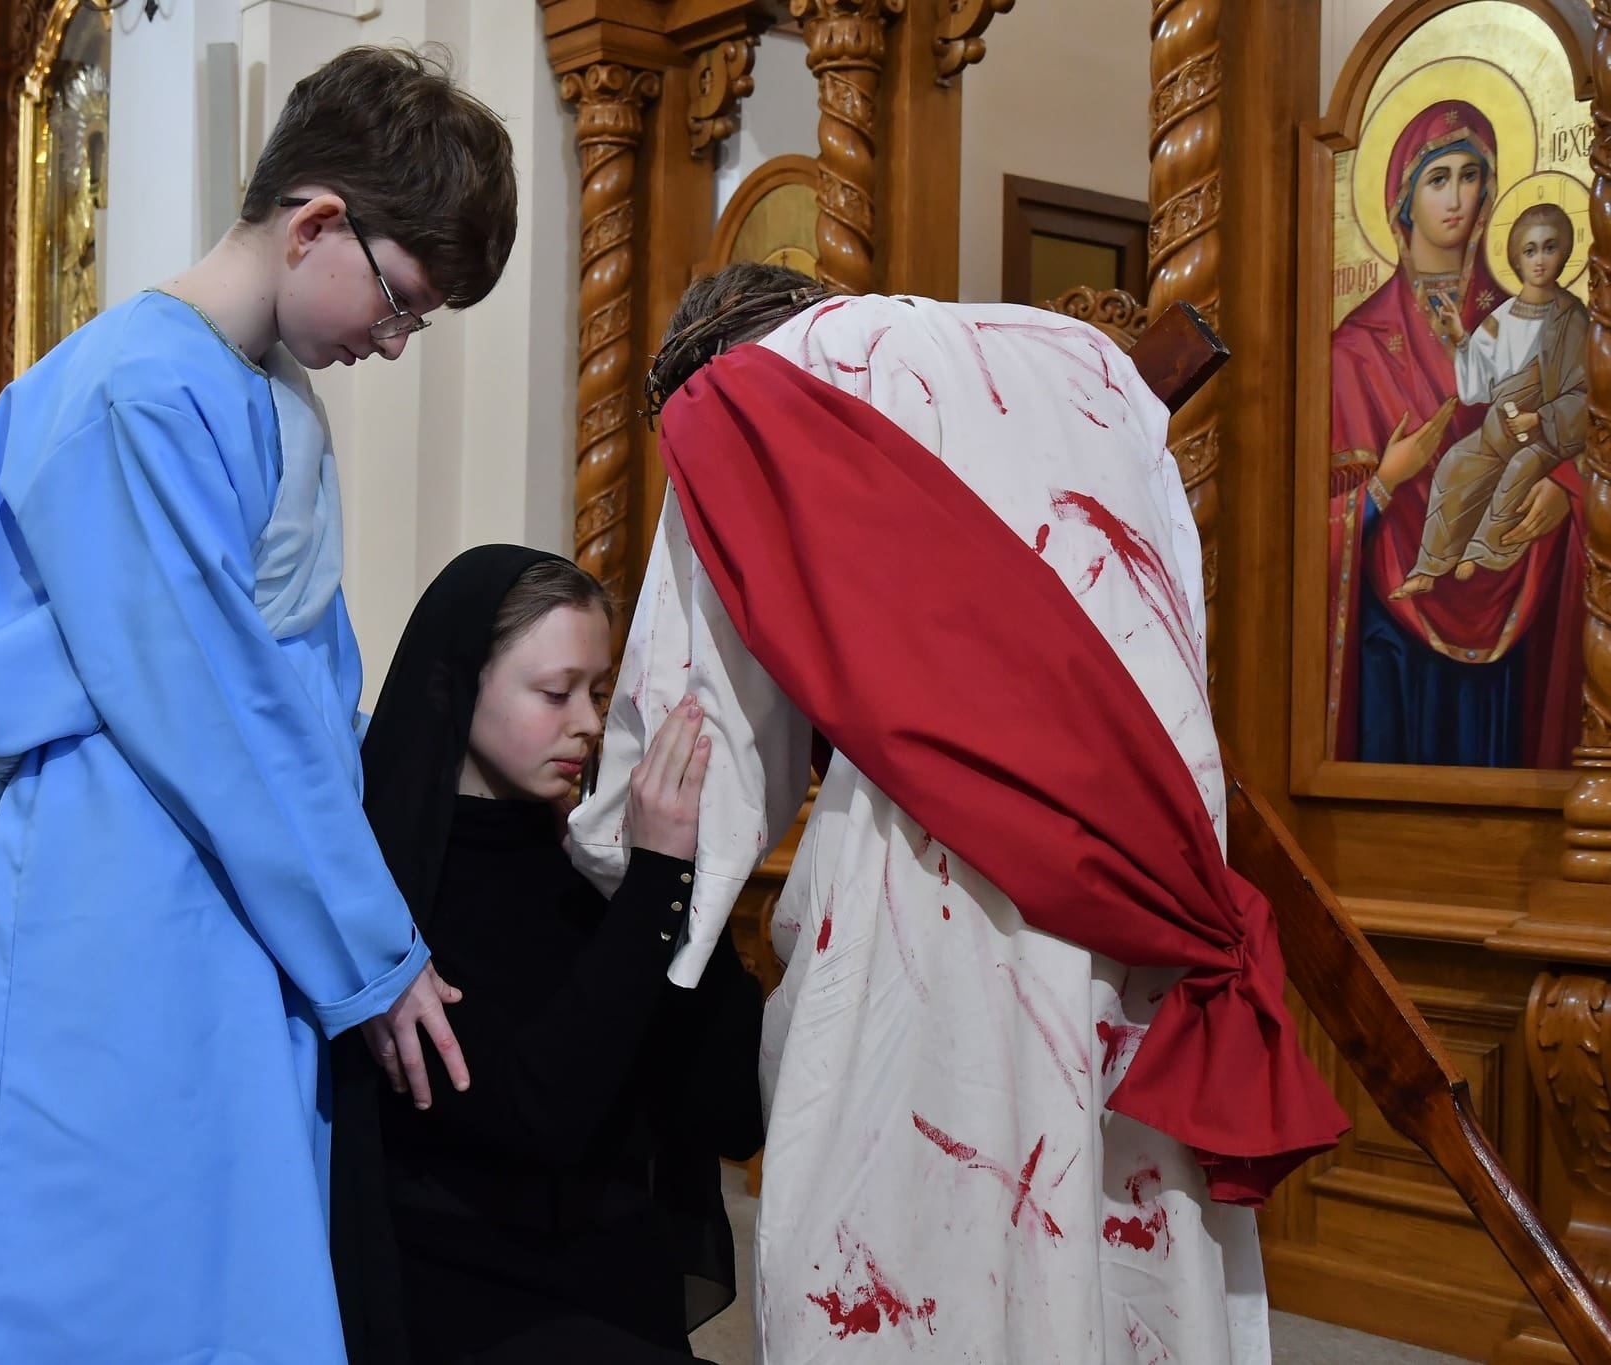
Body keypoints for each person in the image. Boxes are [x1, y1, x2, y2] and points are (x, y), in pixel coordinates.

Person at [565, 264, 1350, 1363]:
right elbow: (1170, 610)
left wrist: (611, 881)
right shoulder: (1089, 361)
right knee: (1112, 1233)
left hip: (931, 890)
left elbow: (695, 727)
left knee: (920, 1236)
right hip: (1146, 863)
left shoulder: (739, 395)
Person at [0, 44, 517, 1363]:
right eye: (401, 304)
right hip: (123, 870)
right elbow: (211, 700)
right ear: (315, 222)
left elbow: (299, 687)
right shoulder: (134, 388)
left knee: (229, 1260)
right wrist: (372, 946)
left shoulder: (261, 391)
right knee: (111, 1266)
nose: (392, 342)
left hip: (231, 871)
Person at [335, 548, 763, 1365]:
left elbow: (730, 1112)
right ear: (460, 685)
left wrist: (682, 884)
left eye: (598, 692)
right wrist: (654, 882)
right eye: (556, 691)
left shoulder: (592, 865)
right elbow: (540, 1115)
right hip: (469, 1300)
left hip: (614, 1285)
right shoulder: (389, 888)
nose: (591, 723)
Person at [1327, 99, 1583, 766]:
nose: (1457, 198)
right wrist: (1387, 480)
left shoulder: (1535, 318)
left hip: (1511, 592)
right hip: (1391, 629)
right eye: (1438, 178)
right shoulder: (1354, 348)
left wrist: (1565, 487)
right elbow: (1305, 529)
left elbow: (1581, 418)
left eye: (1471, 176)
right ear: (1403, 199)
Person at [1392, 203, 1586, 597]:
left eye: (1549, 247)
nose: (1539, 259)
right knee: (1455, 464)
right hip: (1499, 430)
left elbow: (1586, 393)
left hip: (1545, 437)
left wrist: (1539, 418)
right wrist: (1461, 338)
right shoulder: (1502, 318)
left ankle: (1483, 550)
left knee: (1518, 469)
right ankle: (1430, 565)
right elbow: (1478, 387)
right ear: (1516, 257)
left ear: (1564, 253)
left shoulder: (1572, 319)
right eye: (1530, 250)